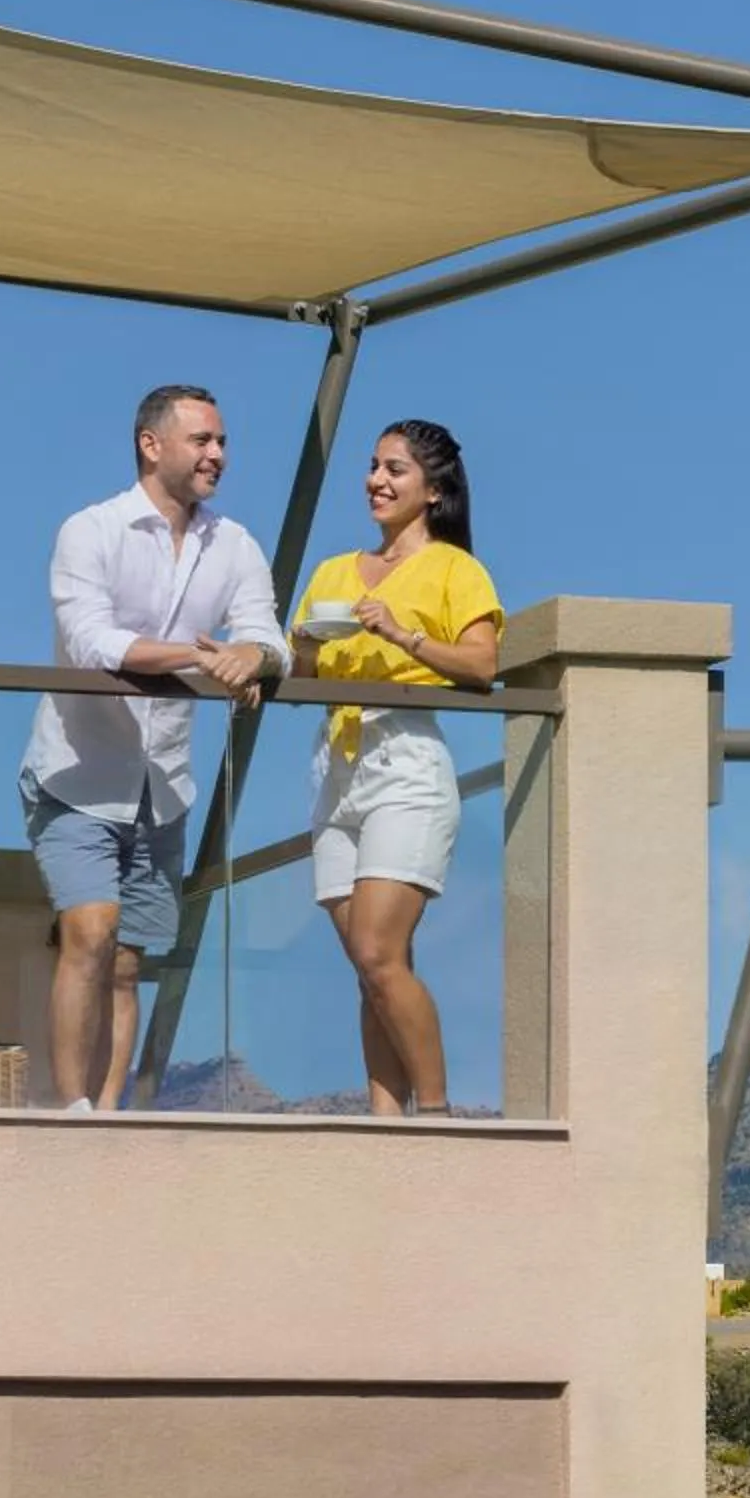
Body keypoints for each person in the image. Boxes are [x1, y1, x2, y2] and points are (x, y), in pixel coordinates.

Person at [19, 384, 286, 1111]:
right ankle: (72, 1111)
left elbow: (268, 639)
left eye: (222, 442)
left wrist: (253, 659)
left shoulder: (234, 545)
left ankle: (109, 1115)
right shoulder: (91, 530)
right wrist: (206, 658)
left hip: (163, 786)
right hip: (77, 774)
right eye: (202, 440)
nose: (218, 454)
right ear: (151, 444)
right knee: (91, 930)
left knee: (126, 961)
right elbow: (90, 642)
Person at [291, 420, 502, 1117]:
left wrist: (402, 634)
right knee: (370, 967)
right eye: (374, 466)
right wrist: (301, 648)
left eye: (394, 470)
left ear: (433, 490)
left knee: (378, 950)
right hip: (335, 765)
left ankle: (435, 1115)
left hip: (404, 760)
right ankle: (388, 1122)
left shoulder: (455, 570)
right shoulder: (332, 572)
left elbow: (482, 665)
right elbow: (302, 674)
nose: (376, 481)